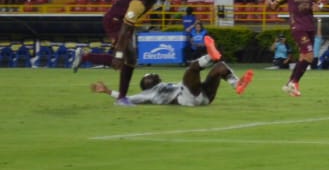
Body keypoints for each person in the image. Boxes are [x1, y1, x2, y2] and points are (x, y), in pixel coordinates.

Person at [74, 0, 171, 107]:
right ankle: (121, 98)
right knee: (125, 59)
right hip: (115, 21)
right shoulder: (138, 4)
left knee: (126, 61)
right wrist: (119, 55)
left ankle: (86, 57)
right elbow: (124, 31)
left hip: (126, 21)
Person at [90, 59, 251, 106]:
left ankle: (236, 84)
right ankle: (208, 55)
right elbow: (127, 98)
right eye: (149, 76)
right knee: (190, 71)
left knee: (220, 67)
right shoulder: (148, 94)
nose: (153, 75)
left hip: (203, 96)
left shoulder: (166, 84)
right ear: (146, 84)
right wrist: (108, 91)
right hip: (186, 99)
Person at [268, 0, 323, 97]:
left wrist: (319, 7)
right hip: (297, 26)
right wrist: (269, 3)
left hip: (310, 25)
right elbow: (274, 6)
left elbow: (319, 2)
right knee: (310, 56)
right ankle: (294, 82)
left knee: (304, 56)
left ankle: (290, 84)